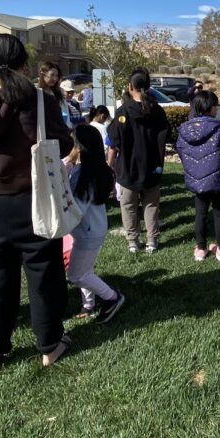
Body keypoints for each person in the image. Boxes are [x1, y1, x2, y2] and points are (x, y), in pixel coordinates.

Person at [0, 34, 74, 377]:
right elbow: (64, 141)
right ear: (25, 64)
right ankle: (50, 346)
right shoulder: (40, 101)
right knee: (44, 274)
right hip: (35, 199)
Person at [67, 125, 125, 323]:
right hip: (94, 228)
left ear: (79, 148)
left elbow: (76, 210)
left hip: (87, 232)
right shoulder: (100, 169)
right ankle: (88, 304)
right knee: (85, 270)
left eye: (70, 144)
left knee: (76, 275)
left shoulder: (82, 175)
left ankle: (112, 298)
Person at [107, 68, 170, 254]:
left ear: (129, 86)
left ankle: (133, 241)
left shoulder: (123, 111)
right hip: (152, 166)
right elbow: (166, 135)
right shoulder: (157, 111)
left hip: (128, 167)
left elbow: (113, 142)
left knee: (128, 206)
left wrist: (109, 165)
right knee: (151, 205)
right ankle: (152, 240)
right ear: (148, 87)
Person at [175, 90, 220, 262]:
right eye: (215, 106)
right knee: (219, 214)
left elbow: (180, 151)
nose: (217, 109)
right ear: (210, 108)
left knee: (200, 214)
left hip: (197, 179)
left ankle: (201, 248)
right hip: (218, 179)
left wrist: (193, 167)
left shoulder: (184, 130)